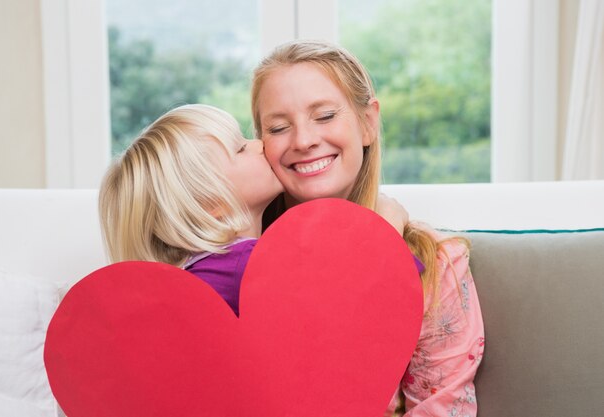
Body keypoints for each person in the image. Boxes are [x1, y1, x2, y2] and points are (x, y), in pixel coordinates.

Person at [251, 40, 485, 416]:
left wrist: (384, 245)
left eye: (325, 116)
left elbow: (442, 407)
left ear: (368, 123)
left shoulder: (435, 261)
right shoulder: (240, 262)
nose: (304, 140)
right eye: (278, 127)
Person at [98, 104, 283, 316]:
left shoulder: (194, 273)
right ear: (212, 202)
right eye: (240, 149)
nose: (259, 144)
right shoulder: (251, 263)